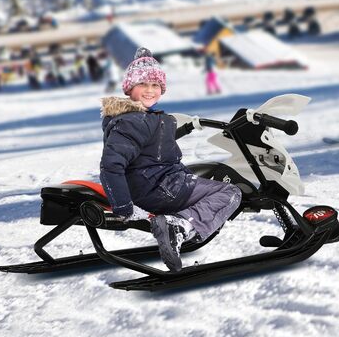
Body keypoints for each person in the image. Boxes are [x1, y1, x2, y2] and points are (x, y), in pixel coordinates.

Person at [100, 47, 241, 272]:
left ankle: (180, 226)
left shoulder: (146, 118)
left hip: (157, 185)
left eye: (155, 85)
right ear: (129, 89)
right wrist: (124, 207)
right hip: (158, 190)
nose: (150, 90)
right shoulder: (133, 121)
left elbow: (164, 160)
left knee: (203, 179)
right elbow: (110, 166)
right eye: (143, 84)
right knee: (230, 193)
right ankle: (180, 226)